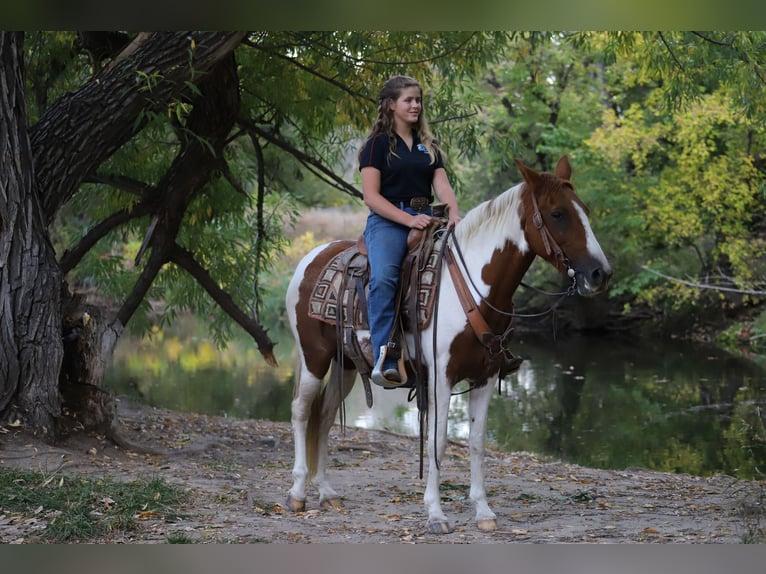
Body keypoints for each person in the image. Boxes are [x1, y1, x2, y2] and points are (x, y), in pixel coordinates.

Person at [358, 75, 461, 387]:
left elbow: (441, 184)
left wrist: (454, 213)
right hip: (388, 220)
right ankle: (386, 355)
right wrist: (408, 220)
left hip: (429, 216)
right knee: (383, 278)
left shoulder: (428, 146)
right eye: (408, 100)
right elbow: (371, 197)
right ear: (392, 105)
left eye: (418, 100)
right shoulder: (376, 146)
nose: (416, 105)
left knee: (464, 264)